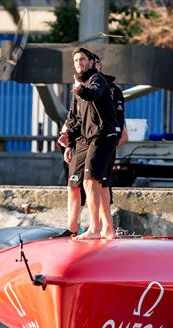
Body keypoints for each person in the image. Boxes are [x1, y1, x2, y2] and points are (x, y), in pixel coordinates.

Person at [57, 47, 121, 240]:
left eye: (83, 59)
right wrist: (67, 136)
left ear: (92, 63)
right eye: (76, 61)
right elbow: (76, 118)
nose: (79, 63)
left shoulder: (97, 80)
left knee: (90, 181)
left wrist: (80, 89)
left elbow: (92, 94)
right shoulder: (79, 86)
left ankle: (94, 229)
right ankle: (107, 229)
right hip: (89, 138)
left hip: (104, 136)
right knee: (90, 184)